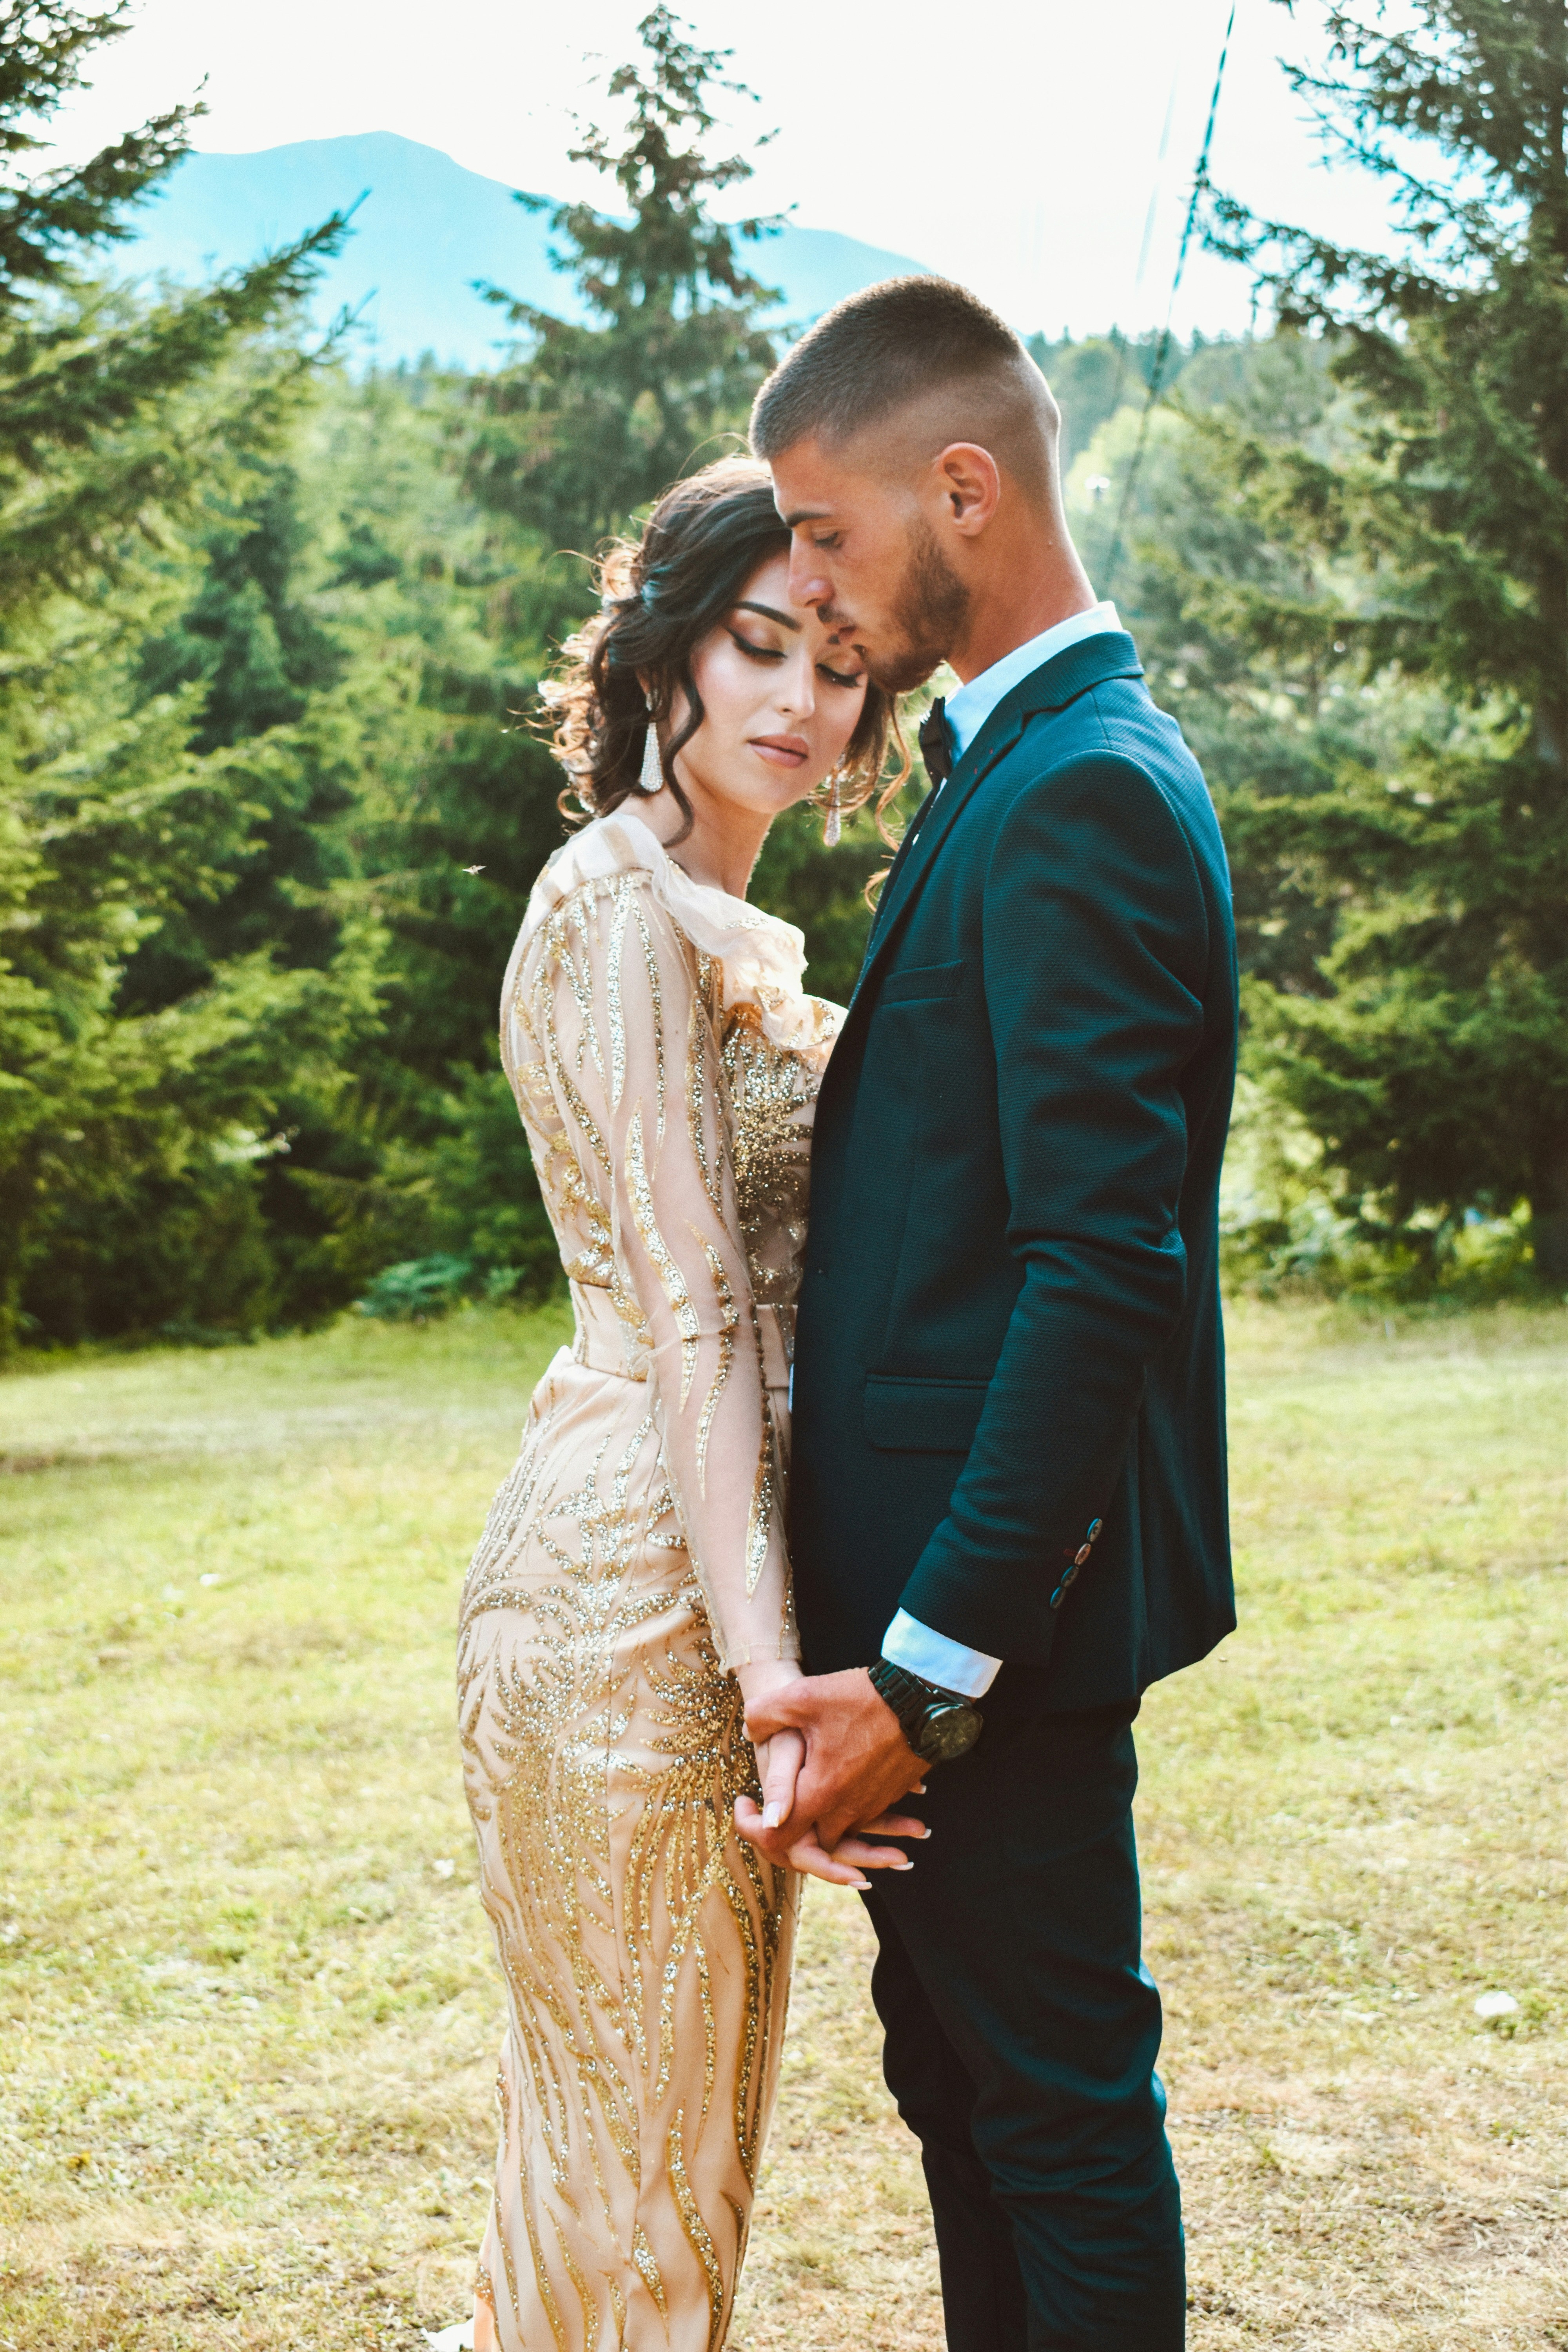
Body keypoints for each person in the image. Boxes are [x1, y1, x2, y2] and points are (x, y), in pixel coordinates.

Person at [737, 277, 1240, 2349]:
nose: (816, 597)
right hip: (933, 1629)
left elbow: (1096, 1267)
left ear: (964, 486)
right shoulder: (1010, 769)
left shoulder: (1088, 790)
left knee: (1051, 2119)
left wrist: (924, 1671)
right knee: (964, 2099)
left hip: (990, 1643)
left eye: (831, 538)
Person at [449, 458, 923, 2352]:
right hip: (634, 1603)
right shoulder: (613, 909)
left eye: (843, 668)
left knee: (668, 2158)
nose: (802, 704)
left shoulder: (716, 917)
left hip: (706, 1580)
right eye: (758, 648)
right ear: (669, 652)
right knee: (634, 2170)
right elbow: (702, 1313)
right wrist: (771, 1692)